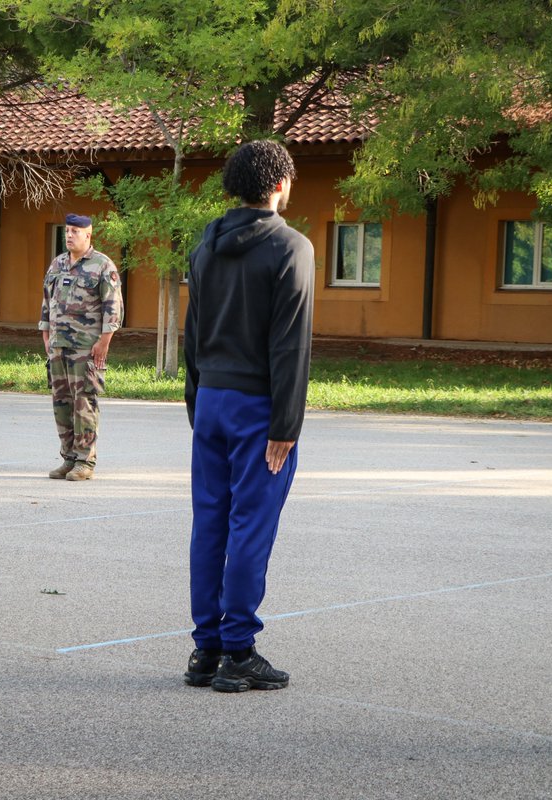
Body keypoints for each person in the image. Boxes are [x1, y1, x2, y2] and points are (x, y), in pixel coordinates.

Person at [182, 140, 315, 692]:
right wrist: (285, 425)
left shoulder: (205, 247)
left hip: (211, 399)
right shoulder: (292, 247)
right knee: (250, 528)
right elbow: (290, 345)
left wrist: (197, 403)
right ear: (280, 185)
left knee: (210, 523)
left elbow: (192, 334)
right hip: (259, 405)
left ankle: (206, 648)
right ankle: (239, 648)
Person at [39, 213, 122, 481]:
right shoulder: (57, 264)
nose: (69, 235)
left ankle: (85, 461)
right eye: (67, 231)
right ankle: (68, 457)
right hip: (59, 348)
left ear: (88, 235)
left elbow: (113, 309)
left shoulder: (102, 265)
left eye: (75, 231)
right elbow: (46, 305)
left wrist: (103, 343)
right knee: (61, 404)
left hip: (86, 349)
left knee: (84, 402)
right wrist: (47, 338)